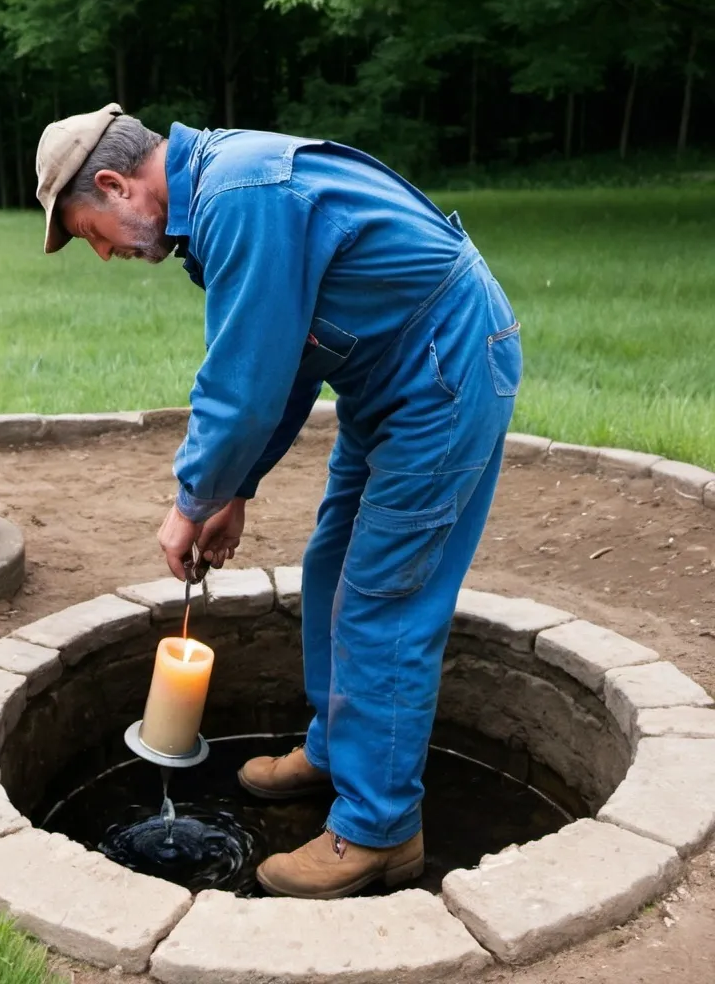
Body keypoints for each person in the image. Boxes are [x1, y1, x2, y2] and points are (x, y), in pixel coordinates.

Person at [34, 103, 522, 900]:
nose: (103, 254)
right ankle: (339, 750)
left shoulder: (241, 198)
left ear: (119, 185)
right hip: (397, 377)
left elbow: (241, 386)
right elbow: (289, 362)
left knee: (384, 598)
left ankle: (379, 831)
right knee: (334, 564)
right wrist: (237, 489)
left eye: (92, 232)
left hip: (443, 370)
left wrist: (192, 500)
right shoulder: (219, 198)